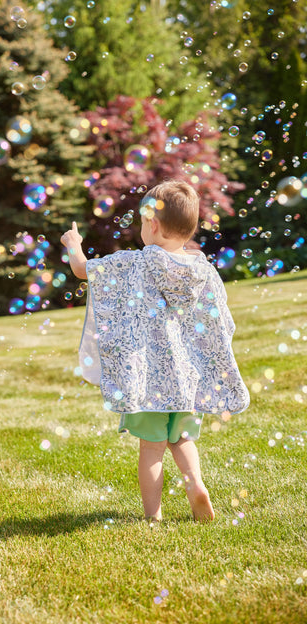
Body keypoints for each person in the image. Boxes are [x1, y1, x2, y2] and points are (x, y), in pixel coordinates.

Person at [60, 179, 250, 523]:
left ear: (154, 224)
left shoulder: (133, 263)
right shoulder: (202, 269)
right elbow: (220, 321)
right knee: (182, 440)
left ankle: (153, 516)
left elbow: (81, 270)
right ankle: (196, 487)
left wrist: (73, 243)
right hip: (188, 380)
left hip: (149, 381)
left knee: (151, 448)